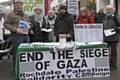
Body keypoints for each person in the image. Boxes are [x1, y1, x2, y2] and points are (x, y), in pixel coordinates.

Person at [4, 1, 33, 70]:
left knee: (26, 52)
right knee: (17, 52)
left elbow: (30, 23)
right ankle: (16, 68)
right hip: (16, 36)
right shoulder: (10, 14)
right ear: (14, 5)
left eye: (20, 4)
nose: (18, 6)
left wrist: (30, 28)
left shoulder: (25, 15)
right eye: (16, 4)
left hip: (26, 36)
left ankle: (26, 68)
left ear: (22, 5)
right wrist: (15, 29)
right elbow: (5, 24)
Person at [103, 5, 120, 70]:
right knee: (106, 51)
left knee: (113, 52)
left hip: (114, 37)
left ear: (113, 10)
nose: (108, 10)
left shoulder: (116, 16)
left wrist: (116, 29)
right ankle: (108, 63)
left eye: (109, 9)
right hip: (106, 37)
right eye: (107, 9)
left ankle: (113, 65)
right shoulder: (105, 17)